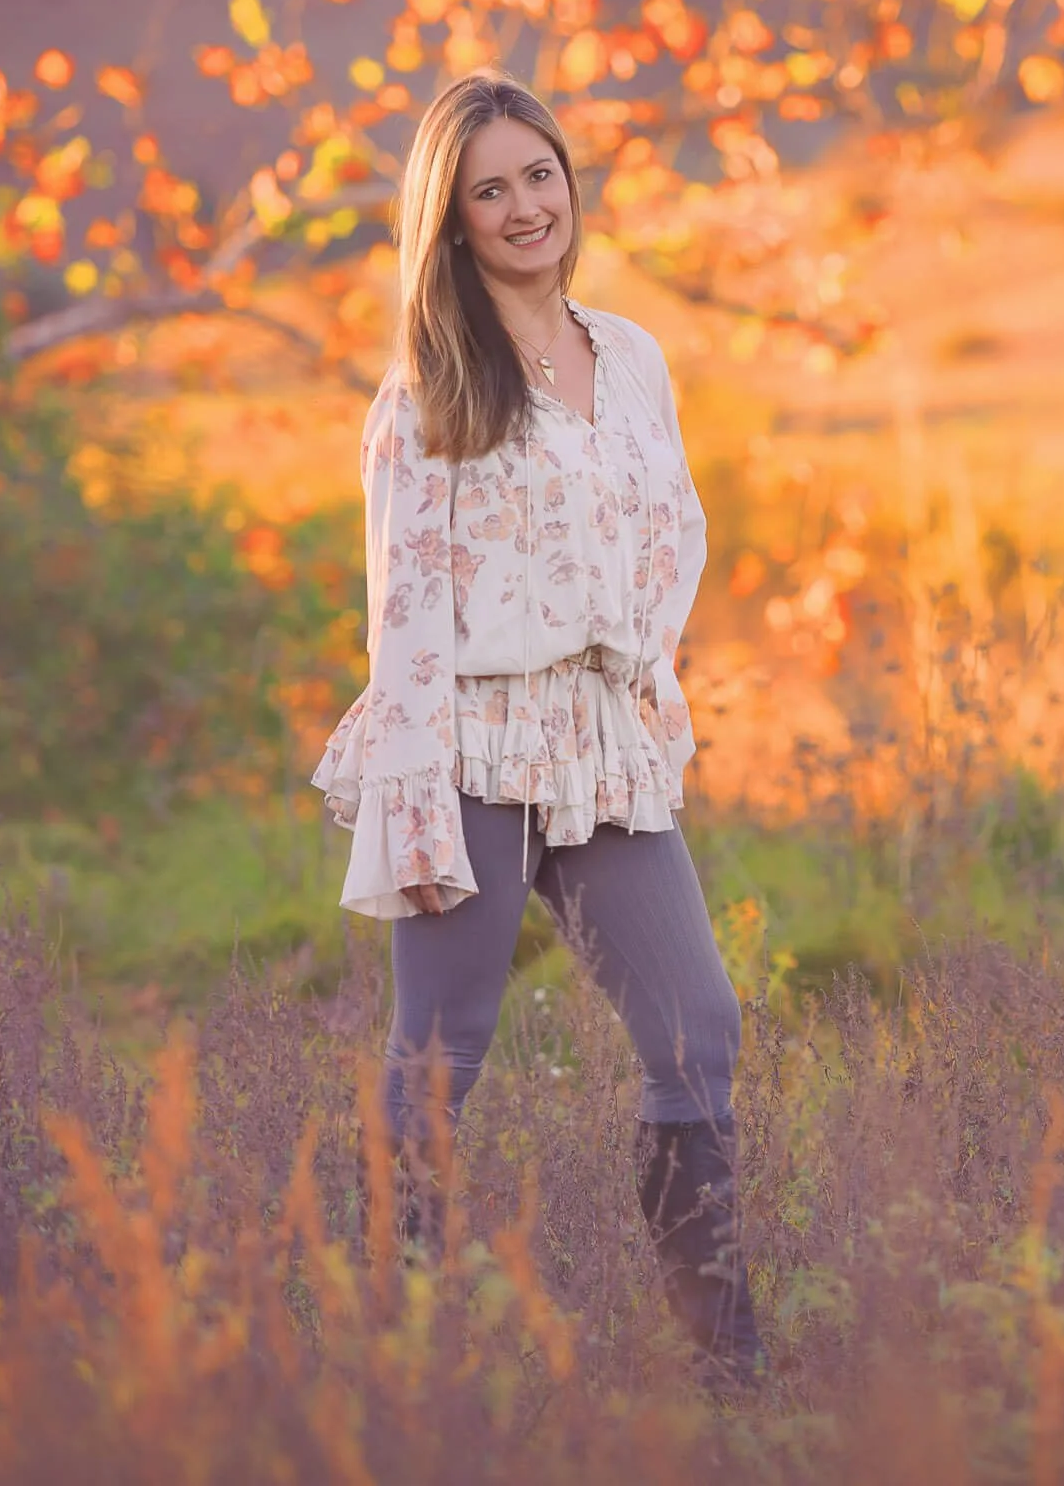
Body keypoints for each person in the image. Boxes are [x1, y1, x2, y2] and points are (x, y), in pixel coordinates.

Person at [308, 70, 761, 1389]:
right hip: (469, 737)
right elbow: (402, 615)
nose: (523, 207)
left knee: (699, 1030)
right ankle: (403, 1356)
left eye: (539, 175)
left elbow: (674, 524)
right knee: (445, 1054)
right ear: (448, 222)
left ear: (573, 180)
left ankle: (725, 1364)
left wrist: (635, 676)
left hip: (600, 730)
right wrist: (413, 805)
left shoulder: (632, 355)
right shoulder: (432, 390)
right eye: (488, 189)